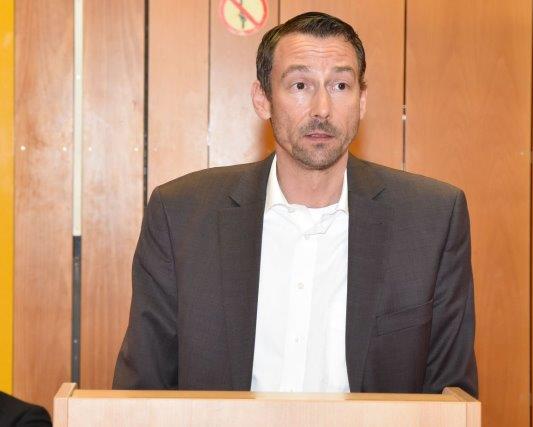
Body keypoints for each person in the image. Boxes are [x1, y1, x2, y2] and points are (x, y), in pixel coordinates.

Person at [113, 11, 478, 397]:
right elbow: (142, 393)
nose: (322, 108)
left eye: (340, 85)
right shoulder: (181, 216)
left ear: (361, 101)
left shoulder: (431, 220)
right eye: (300, 85)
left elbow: (451, 402)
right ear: (263, 100)